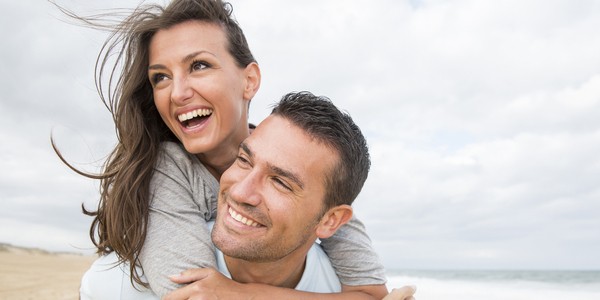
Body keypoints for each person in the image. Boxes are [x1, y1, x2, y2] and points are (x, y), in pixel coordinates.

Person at [54, 0, 396, 298]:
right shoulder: (165, 170)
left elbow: (368, 290)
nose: (177, 93)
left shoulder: (299, 159)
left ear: (249, 81)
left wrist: (244, 294)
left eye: (199, 65)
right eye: (161, 77)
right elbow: (194, 293)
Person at [163, 92, 416, 300]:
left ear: (331, 220)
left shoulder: (342, 286)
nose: (240, 192)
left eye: (281, 183)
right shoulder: (156, 276)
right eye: (244, 160)